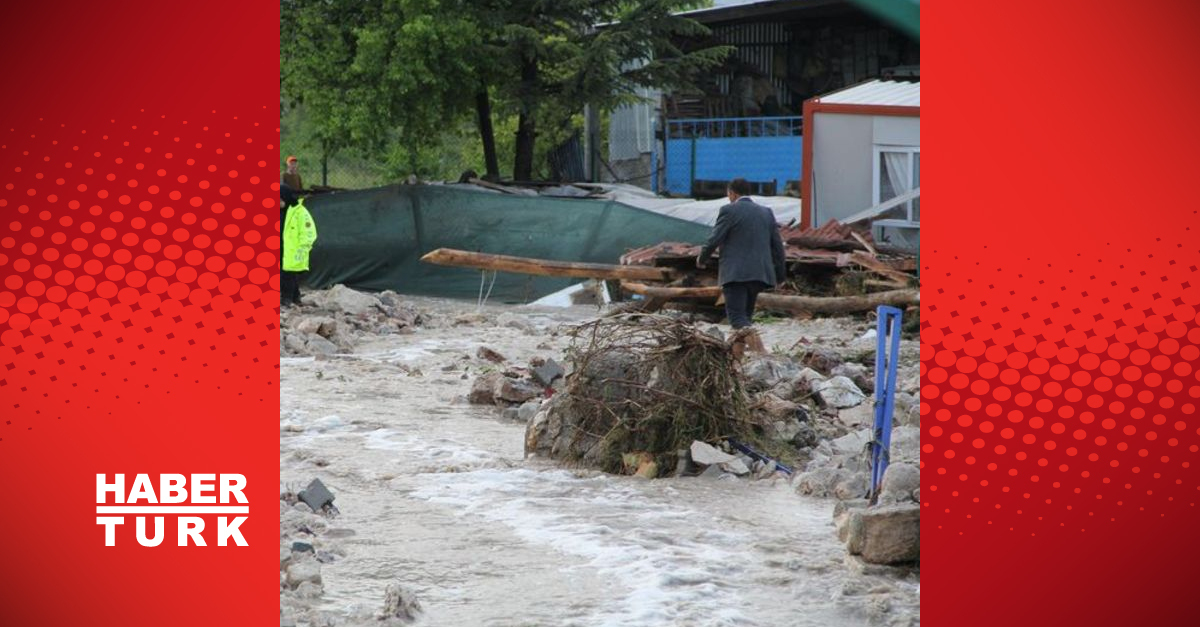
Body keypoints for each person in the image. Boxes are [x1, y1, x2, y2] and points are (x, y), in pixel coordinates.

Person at [696, 178, 786, 329]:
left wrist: (702, 258)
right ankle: (739, 353)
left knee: (737, 319)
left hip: (735, 274)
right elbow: (777, 247)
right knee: (746, 316)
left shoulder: (728, 210)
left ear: (731, 193)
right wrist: (780, 275)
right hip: (759, 274)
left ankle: (759, 349)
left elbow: (714, 239)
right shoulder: (766, 212)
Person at [280, 183, 317, 307]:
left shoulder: (300, 212)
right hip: (282, 248)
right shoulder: (281, 211)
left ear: (285, 197)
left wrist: (303, 248)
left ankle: (286, 299)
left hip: (294, 250)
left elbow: (309, 232)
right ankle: (296, 297)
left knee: (287, 274)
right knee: (288, 274)